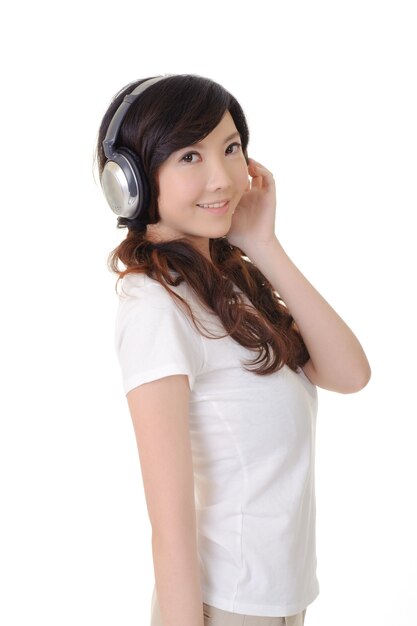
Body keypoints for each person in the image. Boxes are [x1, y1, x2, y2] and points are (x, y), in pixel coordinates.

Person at [95, 74, 371, 626]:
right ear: (132, 183)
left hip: (279, 603)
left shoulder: (229, 285)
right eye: (190, 156)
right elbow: (169, 524)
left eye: (231, 148)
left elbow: (349, 373)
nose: (222, 177)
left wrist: (263, 244)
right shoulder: (155, 307)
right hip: (224, 611)